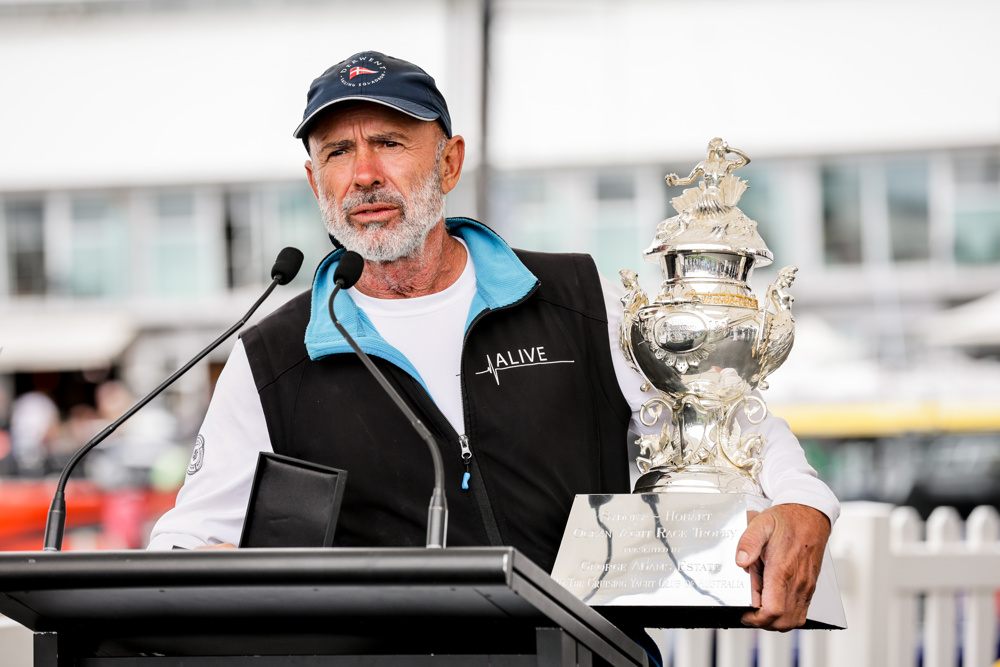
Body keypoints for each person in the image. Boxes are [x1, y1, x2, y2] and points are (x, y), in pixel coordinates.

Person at [148, 51, 838, 633]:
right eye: (337, 152)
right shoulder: (273, 356)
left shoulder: (576, 298)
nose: (363, 175)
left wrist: (803, 500)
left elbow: (722, 415)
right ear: (313, 180)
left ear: (449, 163)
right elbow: (184, 546)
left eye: (388, 142)